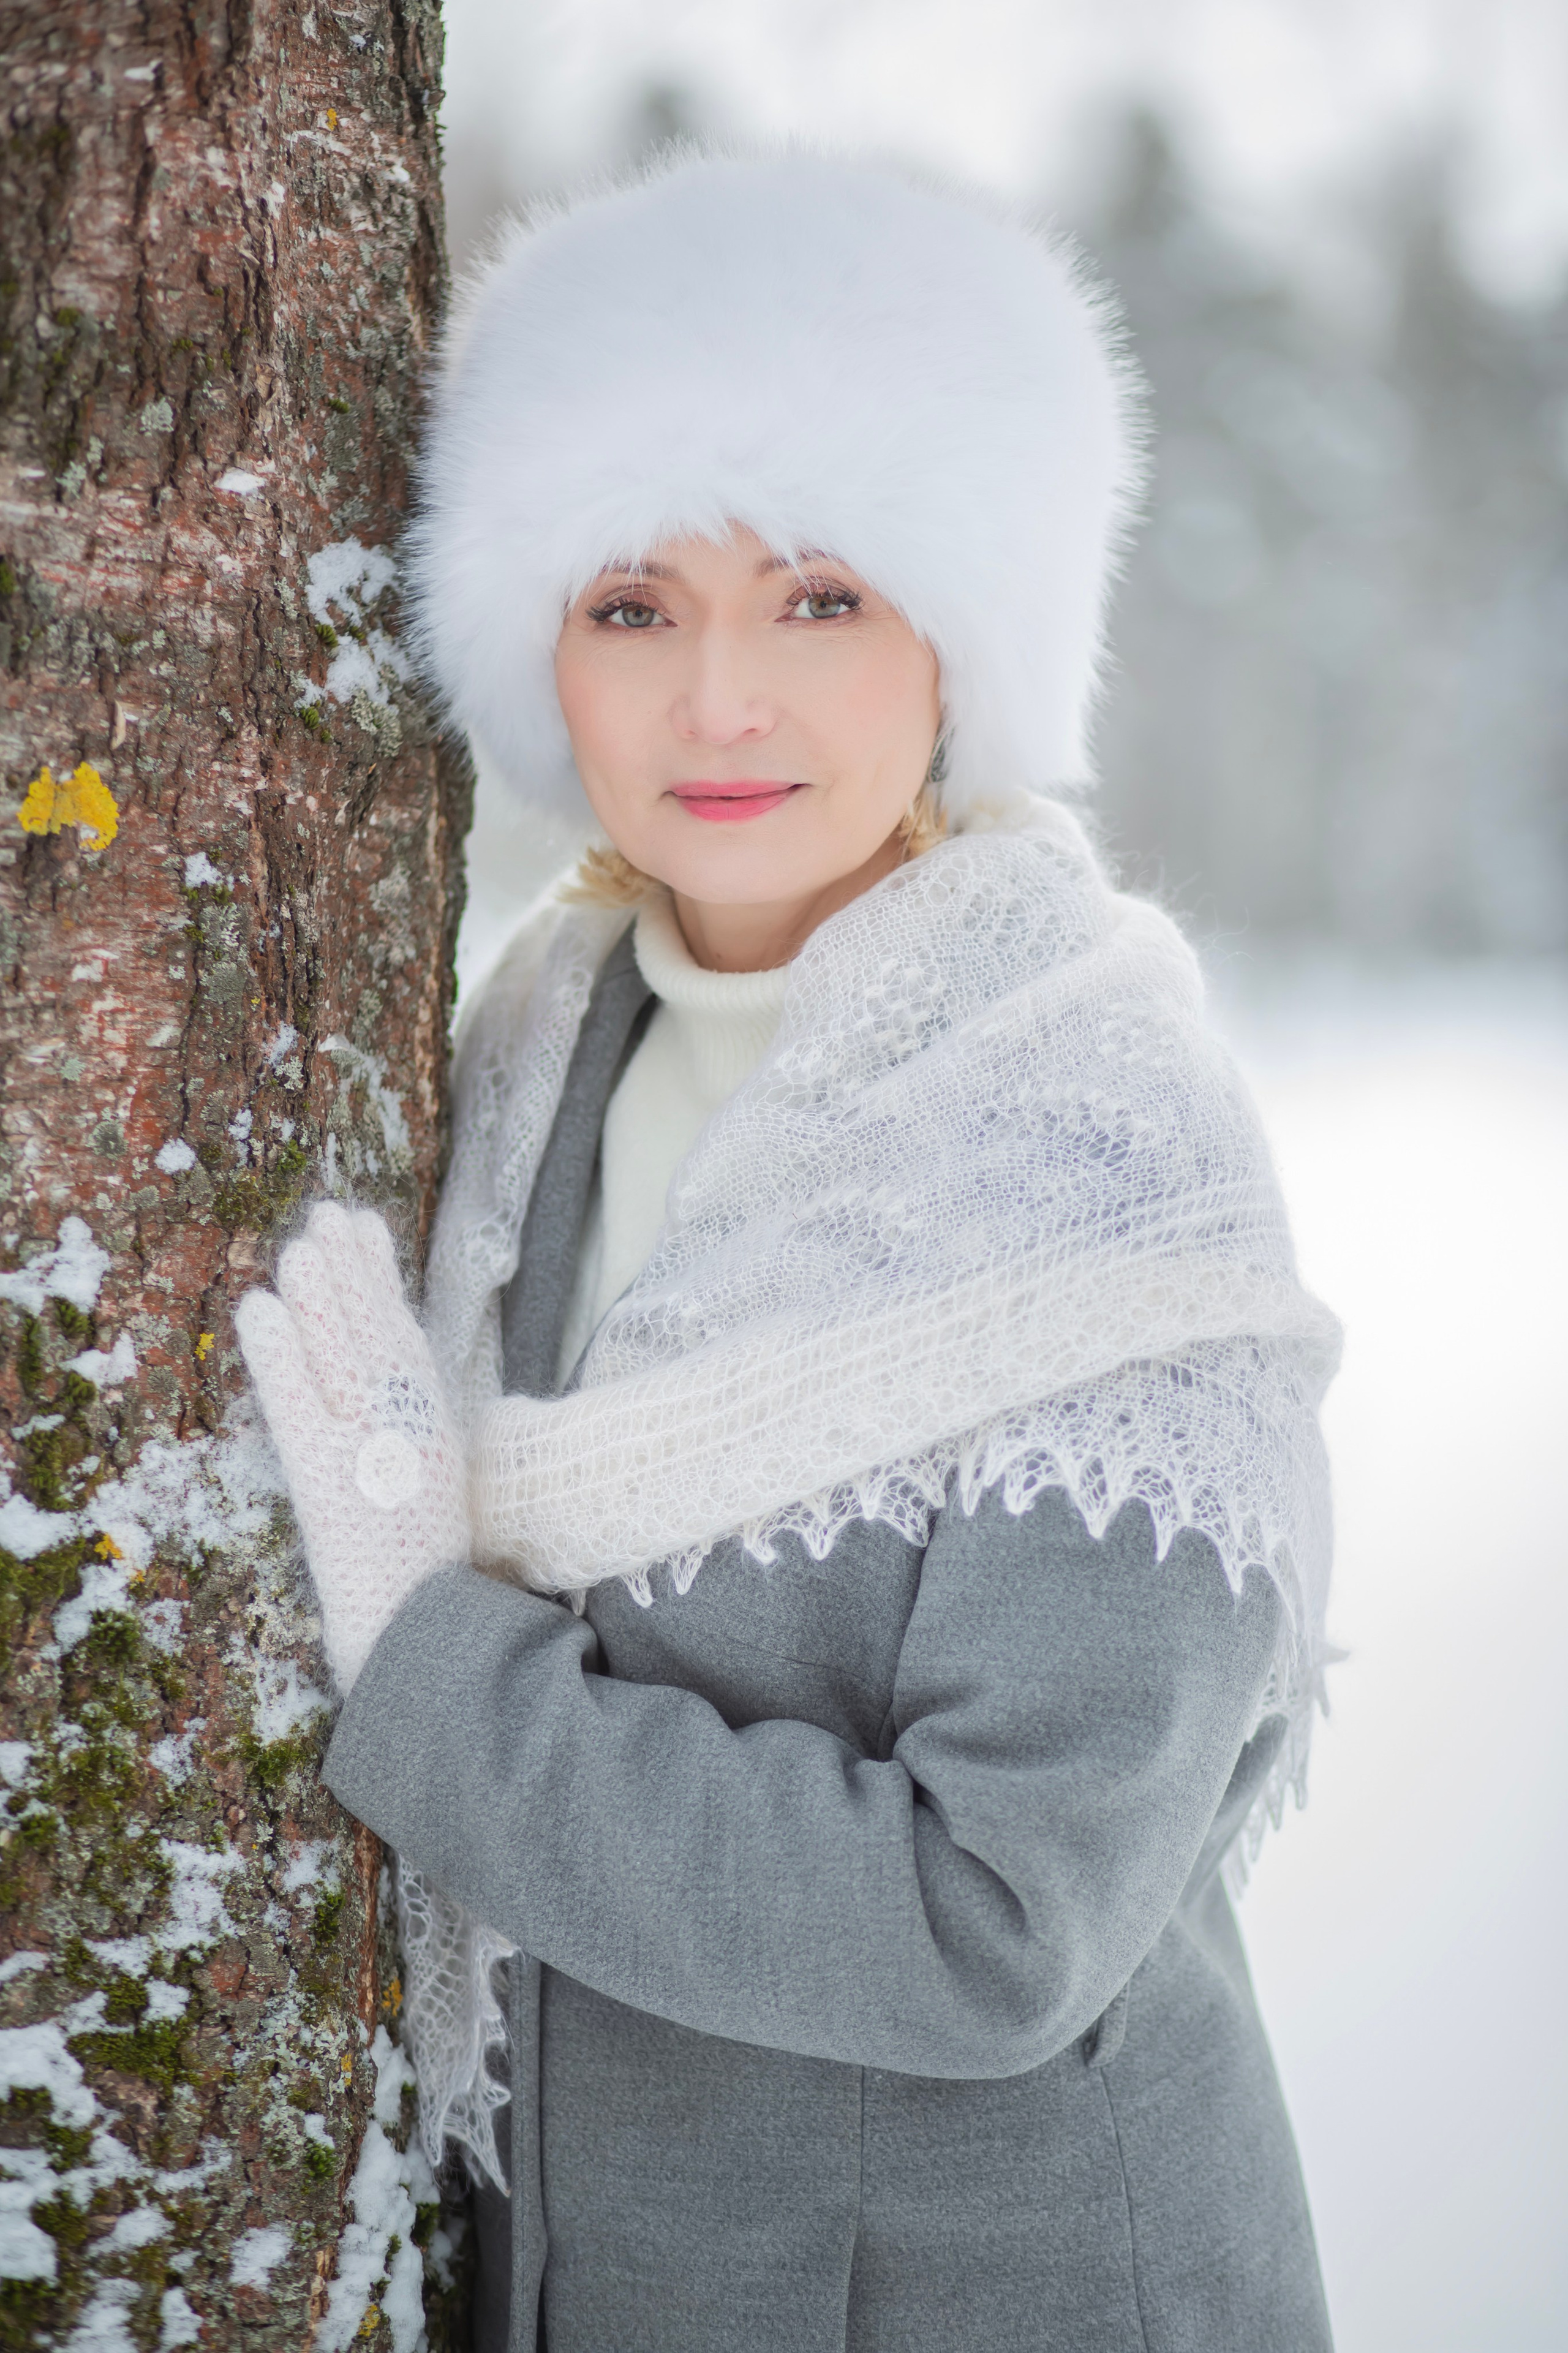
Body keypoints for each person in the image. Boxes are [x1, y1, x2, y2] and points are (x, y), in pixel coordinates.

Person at [236, 151, 1341, 2353]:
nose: (719, 700)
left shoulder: (1091, 1141)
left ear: (966, 634)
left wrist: (429, 1656)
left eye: (821, 595)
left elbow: (994, 1922)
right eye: (633, 602)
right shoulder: (528, 1056)